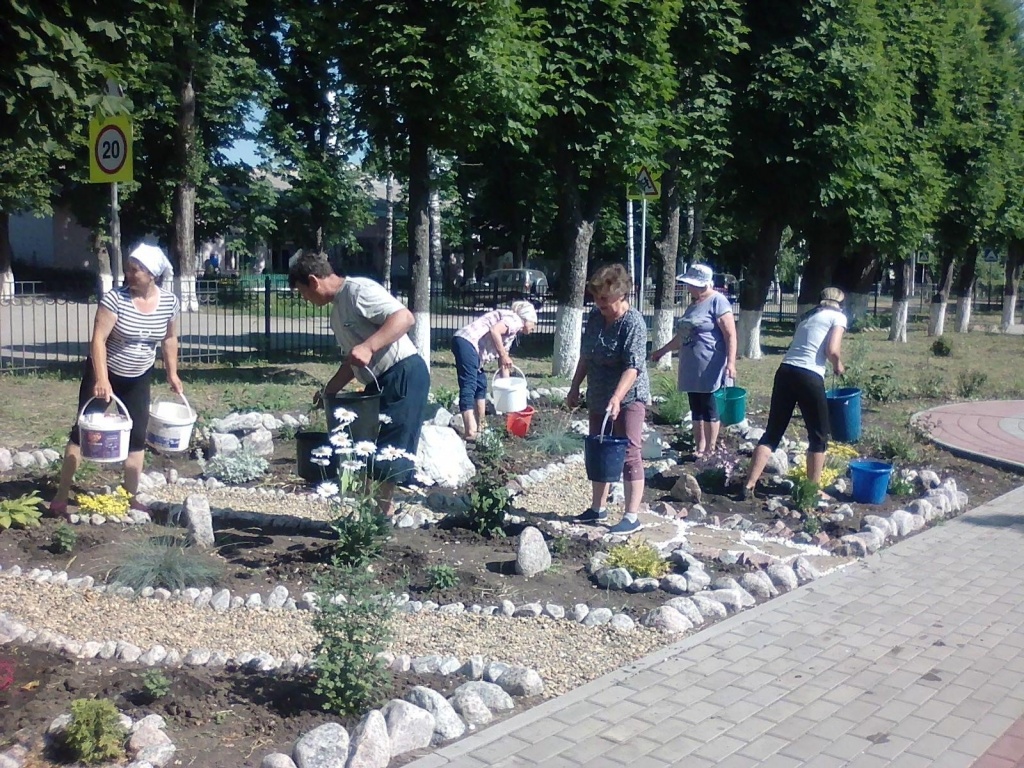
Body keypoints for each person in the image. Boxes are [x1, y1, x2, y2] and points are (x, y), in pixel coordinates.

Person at [289, 250, 429, 515]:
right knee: (368, 447)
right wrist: (329, 391)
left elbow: (404, 318)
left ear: (313, 281)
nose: (304, 299)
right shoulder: (337, 314)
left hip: (404, 375)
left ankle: (380, 519)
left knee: (389, 450)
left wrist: (369, 346)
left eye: (302, 292)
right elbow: (355, 360)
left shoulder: (358, 291)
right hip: (379, 381)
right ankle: (372, 515)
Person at [50, 244, 183, 516]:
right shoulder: (114, 299)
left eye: (136, 270)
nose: (129, 274)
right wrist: (101, 379)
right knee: (82, 432)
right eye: (128, 269)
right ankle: (61, 495)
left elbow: (169, 339)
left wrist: (172, 373)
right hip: (104, 373)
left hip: (139, 376)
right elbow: (98, 339)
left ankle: (130, 498)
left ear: (152, 275)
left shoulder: (169, 302)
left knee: (137, 437)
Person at [739, 287, 847, 500]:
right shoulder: (838, 317)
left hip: (785, 371)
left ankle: (749, 485)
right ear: (840, 303)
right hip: (809, 376)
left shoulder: (809, 317)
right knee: (819, 436)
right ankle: (812, 492)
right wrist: (838, 365)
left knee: (773, 432)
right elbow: (832, 350)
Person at [567, 263, 651, 534]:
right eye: (595, 297)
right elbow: (586, 356)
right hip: (598, 394)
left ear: (621, 295)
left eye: (604, 298)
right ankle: (597, 508)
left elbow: (633, 366)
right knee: (600, 450)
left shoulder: (633, 322)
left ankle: (631, 517)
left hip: (629, 397)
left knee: (629, 453)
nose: (598, 303)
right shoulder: (595, 317)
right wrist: (574, 387)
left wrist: (617, 398)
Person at [651, 263, 737, 457]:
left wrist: (731, 362)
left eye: (691, 284)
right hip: (690, 366)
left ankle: (710, 449)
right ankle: (699, 447)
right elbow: (682, 337)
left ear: (703, 284)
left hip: (710, 365)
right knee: (696, 407)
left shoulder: (718, 302)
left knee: (709, 407)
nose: (688, 287)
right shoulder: (693, 305)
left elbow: (730, 334)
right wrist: (662, 351)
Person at [451, 301, 538, 441]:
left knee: (481, 384)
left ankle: (482, 426)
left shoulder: (512, 333)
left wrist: (508, 389)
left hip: (469, 346)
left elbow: (503, 364)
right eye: (534, 322)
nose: (535, 326)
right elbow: (494, 330)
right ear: (527, 318)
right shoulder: (515, 320)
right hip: (467, 341)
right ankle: (470, 431)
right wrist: (504, 355)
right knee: (469, 384)